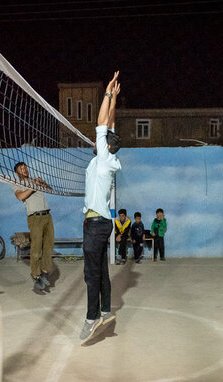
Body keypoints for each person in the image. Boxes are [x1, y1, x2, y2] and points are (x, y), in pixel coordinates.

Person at [80, 71, 122, 341]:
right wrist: (115, 99)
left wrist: (106, 92)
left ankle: (92, 317)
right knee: (102, 271)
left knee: (91, 274)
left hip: (96, 225)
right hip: (98, 222)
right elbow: (110, 124)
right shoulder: (107, 159)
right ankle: (106, 310)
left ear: (105, 145)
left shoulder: (104, 157)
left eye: (102, 139)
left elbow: (101, 123)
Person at [12, 162, 54, 291]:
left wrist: (43, 184)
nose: (24, 170)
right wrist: (33, 187)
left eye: (25, 168)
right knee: (36, 247)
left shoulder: (35, 180)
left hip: (47, 215)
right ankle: (35, 275)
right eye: (21, 168)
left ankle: (44, 272)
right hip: (34, 218)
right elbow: (20, 197)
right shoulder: (17, 184)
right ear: (17, 172)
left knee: (48, 245)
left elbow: (50, 190)